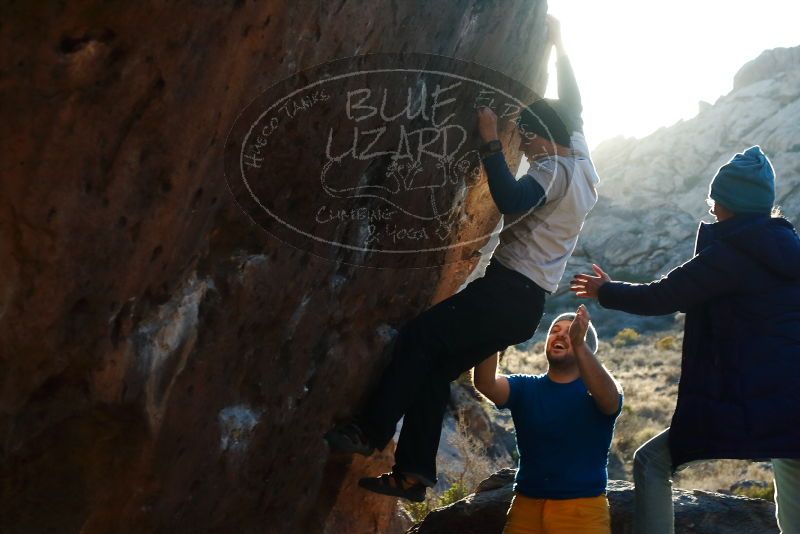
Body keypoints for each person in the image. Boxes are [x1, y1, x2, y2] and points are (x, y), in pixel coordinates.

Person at [325, 15, 601, 502]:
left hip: (504, 292)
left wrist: (492, 140)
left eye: (530, 139)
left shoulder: (554, 168)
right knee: (432, 368)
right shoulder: (582, 163)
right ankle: (414, 474)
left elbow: (513, 200)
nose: (528, 149)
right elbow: (572, 106)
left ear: (543, 137)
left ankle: (368, 432)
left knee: (418, 337)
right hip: (524, 306)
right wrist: (560, 48)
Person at [569, 146, 800, 533]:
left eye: (716, 201)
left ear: (732, 204)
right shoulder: (790, 250)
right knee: (791, 488)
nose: (712, 209)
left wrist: (605, 291)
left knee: (650, 462)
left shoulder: (731, 253)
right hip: (791, 405)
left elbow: (663, 296)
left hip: (750, 399)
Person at [474, 305, 622, 534]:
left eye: (571, 332)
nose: (561, 334)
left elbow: (610, 399)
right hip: (525, 508)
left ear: (587, 348)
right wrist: (496, 330)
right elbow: (486, 383)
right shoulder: (525, 387)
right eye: (554, 330)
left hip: (582, 513)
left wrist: (580, 344)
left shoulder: (598, 391)